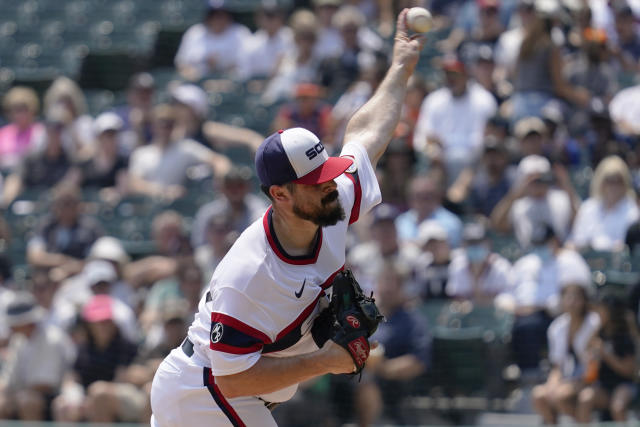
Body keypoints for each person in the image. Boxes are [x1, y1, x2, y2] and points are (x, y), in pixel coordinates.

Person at [150, 10, 425, 426]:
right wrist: (326, 361)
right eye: (316, 182)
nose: (331, 185)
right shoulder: (251, 274)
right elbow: (233, 379)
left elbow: (365, 136)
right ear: (280, 194)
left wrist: (401, 68)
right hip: (204, 391)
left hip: (231, 394)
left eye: (328, 175)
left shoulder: (329, 204)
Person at [353, 261, 431, 427]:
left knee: (367, 380)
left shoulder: (413, 321)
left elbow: (418, 361)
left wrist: (382, 368)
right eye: (385, 281)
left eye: (395, 283)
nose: (388, 288)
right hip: (348, 373)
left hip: (391, 384)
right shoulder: (365, 315)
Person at [531, 258, 599, 424]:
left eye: (576, 298)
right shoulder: (557, 327)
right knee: (540, 395)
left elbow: (593, 364)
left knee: (561, 396)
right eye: (568, 298)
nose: (572, 303)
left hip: (592, 379)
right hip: (567, 379)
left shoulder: (594, 322)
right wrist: (553, 384)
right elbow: (557, 366)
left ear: (584, 301)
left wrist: (572, 384)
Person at [412, 56, 497, 183]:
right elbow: (420, 139)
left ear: (465, 75)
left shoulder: (484, 99)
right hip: (440, 164)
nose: (451, 79)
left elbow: (489, 138)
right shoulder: (434, 100)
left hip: (475, 163)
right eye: (448, 74)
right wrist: (431, 150)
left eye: (455, 74)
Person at [0, 292, 75, 421]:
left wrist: (13, 396)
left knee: (28, 402)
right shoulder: (18, 341)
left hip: (55, 397)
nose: (11, 327)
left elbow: (45, 385)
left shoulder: (52, 338)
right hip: (23, 394)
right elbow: (8, 379)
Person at [576, 293, 638, 423]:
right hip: (604, 384)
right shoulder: (600, 332)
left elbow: (628, 371)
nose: (598, 313)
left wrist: (606, 354)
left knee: (618, 407)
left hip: (624, 384)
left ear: (611, 311)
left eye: (602, 309)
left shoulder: (625, 337)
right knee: (585, 399)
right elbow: (585, 349)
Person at [569, 156, 639, 252]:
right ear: (600, 181)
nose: (613, 186)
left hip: (619, 264)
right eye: (609, 180)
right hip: (588, 262)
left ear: (625, 183)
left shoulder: (632, 210)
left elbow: (627, 245)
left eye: (618, 181)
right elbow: (577, 240)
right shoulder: (588, 207)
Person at [191, 166, 268, 248]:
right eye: (229, 186)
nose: (235, 190)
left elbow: (263, 242)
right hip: (217, 257)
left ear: (248, 187)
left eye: (239, 185)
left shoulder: (259, 210)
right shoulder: (209, 212)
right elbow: (198, 243)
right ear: (221, 188)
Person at [174, 0, 251, 81]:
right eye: (213, 15)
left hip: (233, 81)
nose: (217, 19)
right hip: (198, 81)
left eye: (222, 15)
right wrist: (194, 73)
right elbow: (181, 64)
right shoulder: (195, 33)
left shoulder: (241, 33)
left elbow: (250, 64)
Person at [446, 222, 511, 304]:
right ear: (463, 245)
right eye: (471, 243)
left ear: (488, 244)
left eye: (479, 242)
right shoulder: (457, 265)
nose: (475, 246)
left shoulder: (501, 266)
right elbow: (457, 298)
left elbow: (508, 299)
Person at [0, 86, 45, 172]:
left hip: (31, 177)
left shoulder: (40, 132)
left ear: (32, 110)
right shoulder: (3, 133)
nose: (19, 114)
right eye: (15, 110)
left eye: (23, 109)